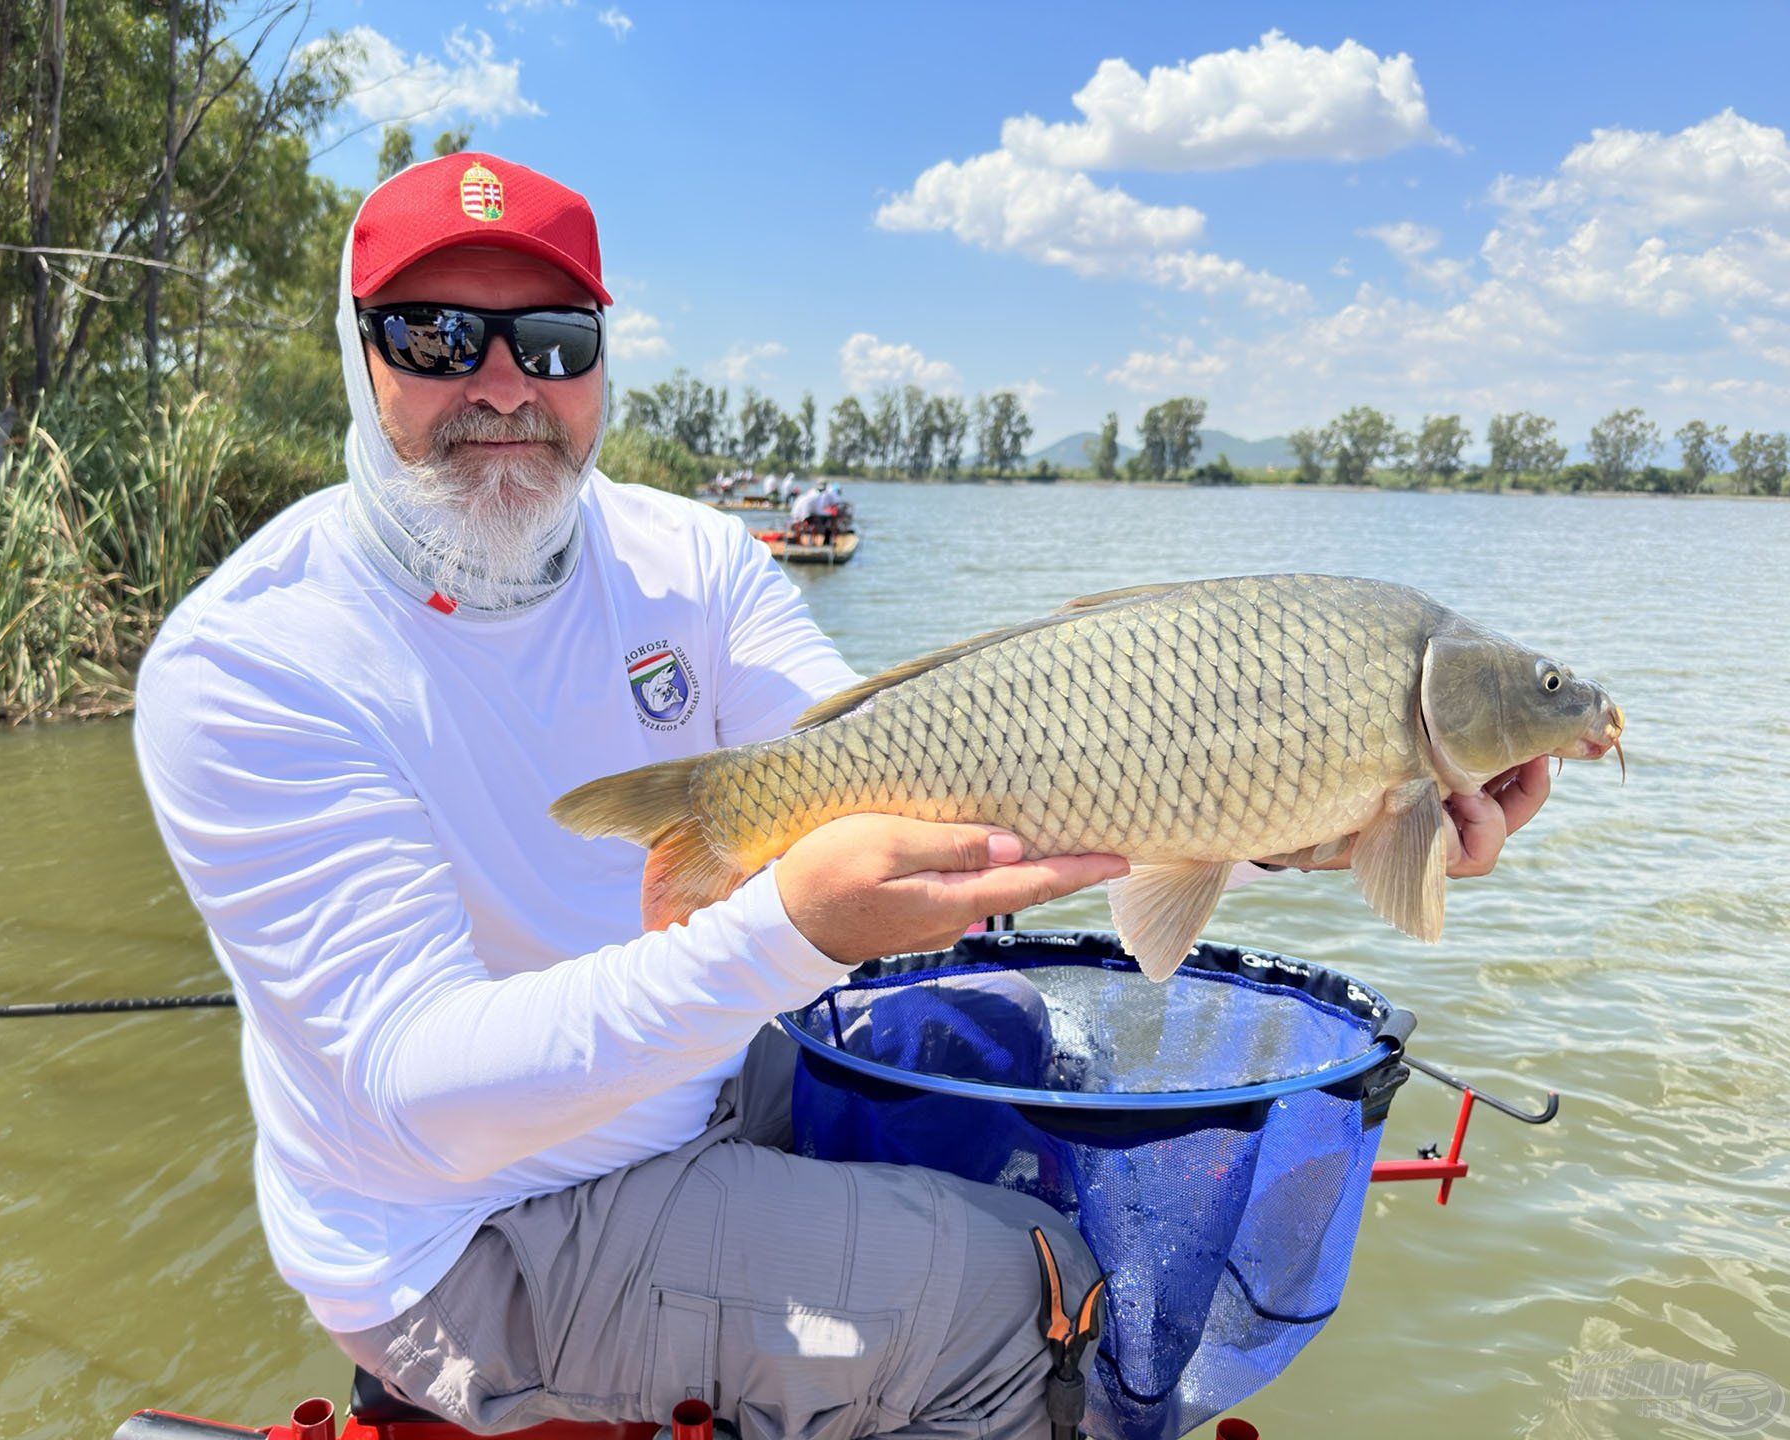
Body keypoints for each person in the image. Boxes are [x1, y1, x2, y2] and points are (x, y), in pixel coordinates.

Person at [132, 152, 1552, 1440]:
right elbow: (420, 1096)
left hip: (686, 1077)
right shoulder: (249, 663)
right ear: (359, 357)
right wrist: (783, 932)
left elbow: (952, 772)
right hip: (467, 1230)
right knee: (1037, 1293)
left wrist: (1311, 819)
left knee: (1009, 1038)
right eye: (439, 337)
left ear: (599, 367)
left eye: (552, 342)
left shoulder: (688, 559)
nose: (502, 385)